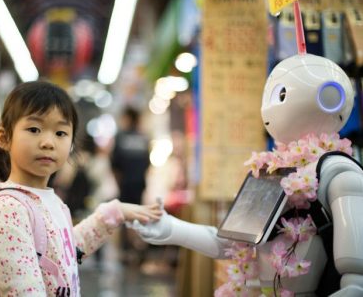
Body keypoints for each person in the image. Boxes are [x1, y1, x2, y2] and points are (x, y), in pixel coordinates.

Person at [131, 54, 363, 296]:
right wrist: (172, 229)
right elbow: (232, 242)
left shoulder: (340, 175)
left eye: (280, 95)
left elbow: (356, 278)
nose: (268, 107)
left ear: (330, 97)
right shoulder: (272, 171)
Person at [0, 81, 162, 296]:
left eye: (60, 133)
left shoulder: (51, 202)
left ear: (70, 144)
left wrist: (115, 213)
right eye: (34, 129)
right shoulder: (9, 210)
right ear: (4, 138)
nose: (48, 142)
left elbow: (63, 253)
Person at [111, 106, 151, 263]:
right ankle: (139, 248)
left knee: (124, 216)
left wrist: (119, 182)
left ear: (128, 118)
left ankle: (126, 250)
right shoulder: (144, 138)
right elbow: (147, 163)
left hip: (125, 183)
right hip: (139, 183)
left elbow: (114, 164)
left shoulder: (121, 137)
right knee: (139, 215)